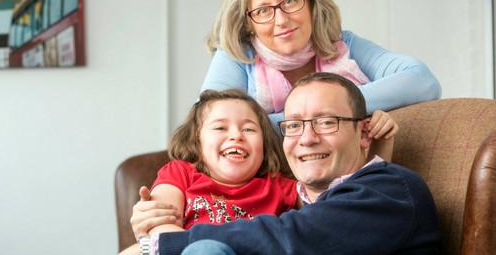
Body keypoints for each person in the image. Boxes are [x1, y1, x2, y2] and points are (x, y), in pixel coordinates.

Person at [123, 72, 442, 255]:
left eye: (326, 121)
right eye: (293, 125)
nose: (306, 138)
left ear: (363, 132)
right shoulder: (322, 200)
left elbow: (292, 234)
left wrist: (158, 245)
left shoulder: (391, 189)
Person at [201, 0, 442, 132]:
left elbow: (422, 81)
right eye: (263, 11)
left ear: (312, 2)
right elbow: (215, 128)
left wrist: (321, 110)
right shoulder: (237, 57)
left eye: (290, 1)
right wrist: (333, 117)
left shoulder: (344, 44)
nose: (281, 20)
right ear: (247, 22)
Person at [142, 88, 302, 235]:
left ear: (265, 145)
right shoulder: (179, 173)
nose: (236, 136)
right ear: (196, 141)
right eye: (220, 128)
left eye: (248, 129)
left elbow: (322, 213)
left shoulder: (281, 187)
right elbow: (161, 227)